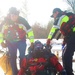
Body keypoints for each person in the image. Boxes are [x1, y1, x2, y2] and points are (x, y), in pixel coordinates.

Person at [0, 7, 34, 75]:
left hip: (21, 41)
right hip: (10, 42)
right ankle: (14, 73)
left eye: (16, 15)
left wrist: (32, 41)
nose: (14, 17)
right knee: (12, 57)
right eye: (12, 15)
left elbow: (29, 31)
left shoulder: (23, 21)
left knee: (22, 57)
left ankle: (22, 72)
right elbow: (1, 32)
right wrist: (1, 41)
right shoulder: (5, 22)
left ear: (18, 15)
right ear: (9, 15)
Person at [46, 8, 75, 75]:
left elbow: (54, 29)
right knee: (65, 54)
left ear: (56, 12)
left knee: (66, 55)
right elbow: (69, 31)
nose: (54, 17)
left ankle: (68, 73)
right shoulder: (67, 16)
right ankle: (66, 72)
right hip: (71, 36)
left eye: (53, 15)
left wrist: (48, 40)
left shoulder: (60, 17)